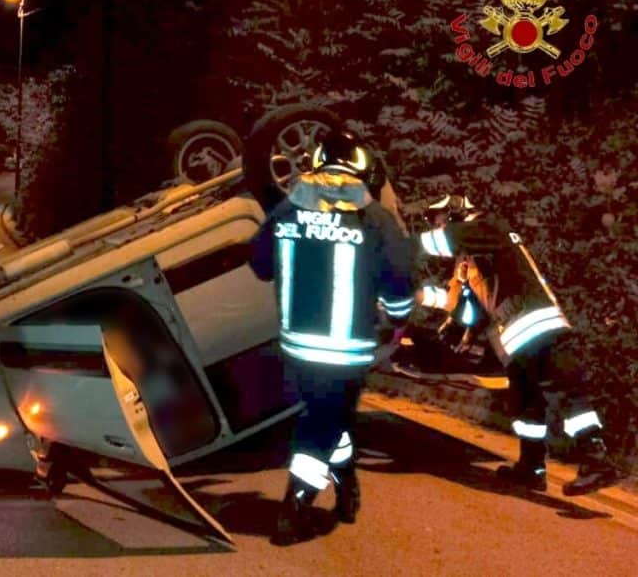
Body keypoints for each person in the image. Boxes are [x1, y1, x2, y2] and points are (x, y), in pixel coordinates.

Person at [248, 129, 414, 545]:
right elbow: (399, 282)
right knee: (322, 424)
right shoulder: (376, 219)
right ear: (361, 168)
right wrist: (398, 322)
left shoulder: (287, 210)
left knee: (327, 418)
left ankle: (347, 485)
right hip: (348, 351)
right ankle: (296, 503)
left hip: (297, 347)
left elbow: (259, 264)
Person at [416, 193, 619, 496]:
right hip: (518, 340)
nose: (439, 226)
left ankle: (597, 460)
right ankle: (531, 468)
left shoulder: (487, 228)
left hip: (540, 329)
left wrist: (394, 246)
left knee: (564, 395)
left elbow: (443, 241)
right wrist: (418, 295)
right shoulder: (469, 261)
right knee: (527, 405)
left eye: (440, 220)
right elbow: (461, 307)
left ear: (456, 212)